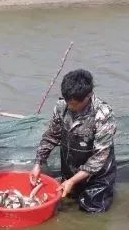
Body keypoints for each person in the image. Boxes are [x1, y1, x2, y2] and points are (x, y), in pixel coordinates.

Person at [30, 69, 117, 214]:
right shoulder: (61, 106)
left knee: (92, 214)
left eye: (74, 104)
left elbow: (99, 158)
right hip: (70, 168)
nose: (70, 107)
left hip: (97, 176)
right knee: (66, 204)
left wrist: (72, 181)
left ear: (88, 96)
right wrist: (38, 163)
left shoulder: (103, 115)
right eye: (67, 102)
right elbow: (51, 135)